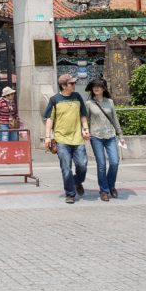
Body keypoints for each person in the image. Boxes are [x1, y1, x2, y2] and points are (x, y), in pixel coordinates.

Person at [43, 74, 90, 204]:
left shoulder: (77, 97)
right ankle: (70, 193)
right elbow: (49, 119)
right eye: (71, 84)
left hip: (77, 138)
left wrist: (85, 129)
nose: (74, 85)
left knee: (82, 165)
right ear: (64, 86)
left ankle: (77, 181)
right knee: (66, 167)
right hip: (61, 139)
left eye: (74, 83)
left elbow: (83, 115)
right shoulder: (54, 100)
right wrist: (48, 137)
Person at [84, 79, 125, 201]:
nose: (96, 88)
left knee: (114, 162)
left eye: (99, 86)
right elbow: (86, 120)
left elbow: (115, 119)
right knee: (101, 164)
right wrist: (85, 131)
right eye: (94, 87)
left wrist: (120, 135)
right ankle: (104, 190)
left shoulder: (110, 102)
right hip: (96, 136)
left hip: (110, 135)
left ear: (104, 89)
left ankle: (111, 186)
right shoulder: (89, 103)